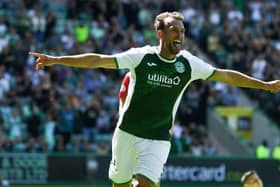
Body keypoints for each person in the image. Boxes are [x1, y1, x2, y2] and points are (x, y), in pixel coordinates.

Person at [29, 11, 280, 187]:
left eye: (182, 31)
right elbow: (98, 59)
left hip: (158, 137)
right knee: (121, 184)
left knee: (148, 183)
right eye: (174, 30)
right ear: (160, 32)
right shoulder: (141, 57)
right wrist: (56, 59)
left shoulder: (188, 64)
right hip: (127, 133)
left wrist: (265, 85)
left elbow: (225, 76)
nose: (179, 35)